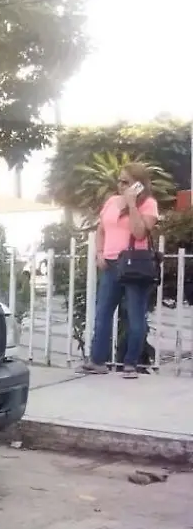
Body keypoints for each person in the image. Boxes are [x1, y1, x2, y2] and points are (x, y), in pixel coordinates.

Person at [80, 162, 160, 378]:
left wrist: (132, 204)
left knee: (135, 316)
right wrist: (99, 252)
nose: (121, 185)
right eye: (119, 181)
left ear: (138, 184)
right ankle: (97, 361)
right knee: (103, 313)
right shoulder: (112, 201)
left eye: (126, 182)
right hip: (110, 264)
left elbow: (140, 233)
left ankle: (131, 364)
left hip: (134, 265)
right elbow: (101, 229)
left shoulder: (148, 204)